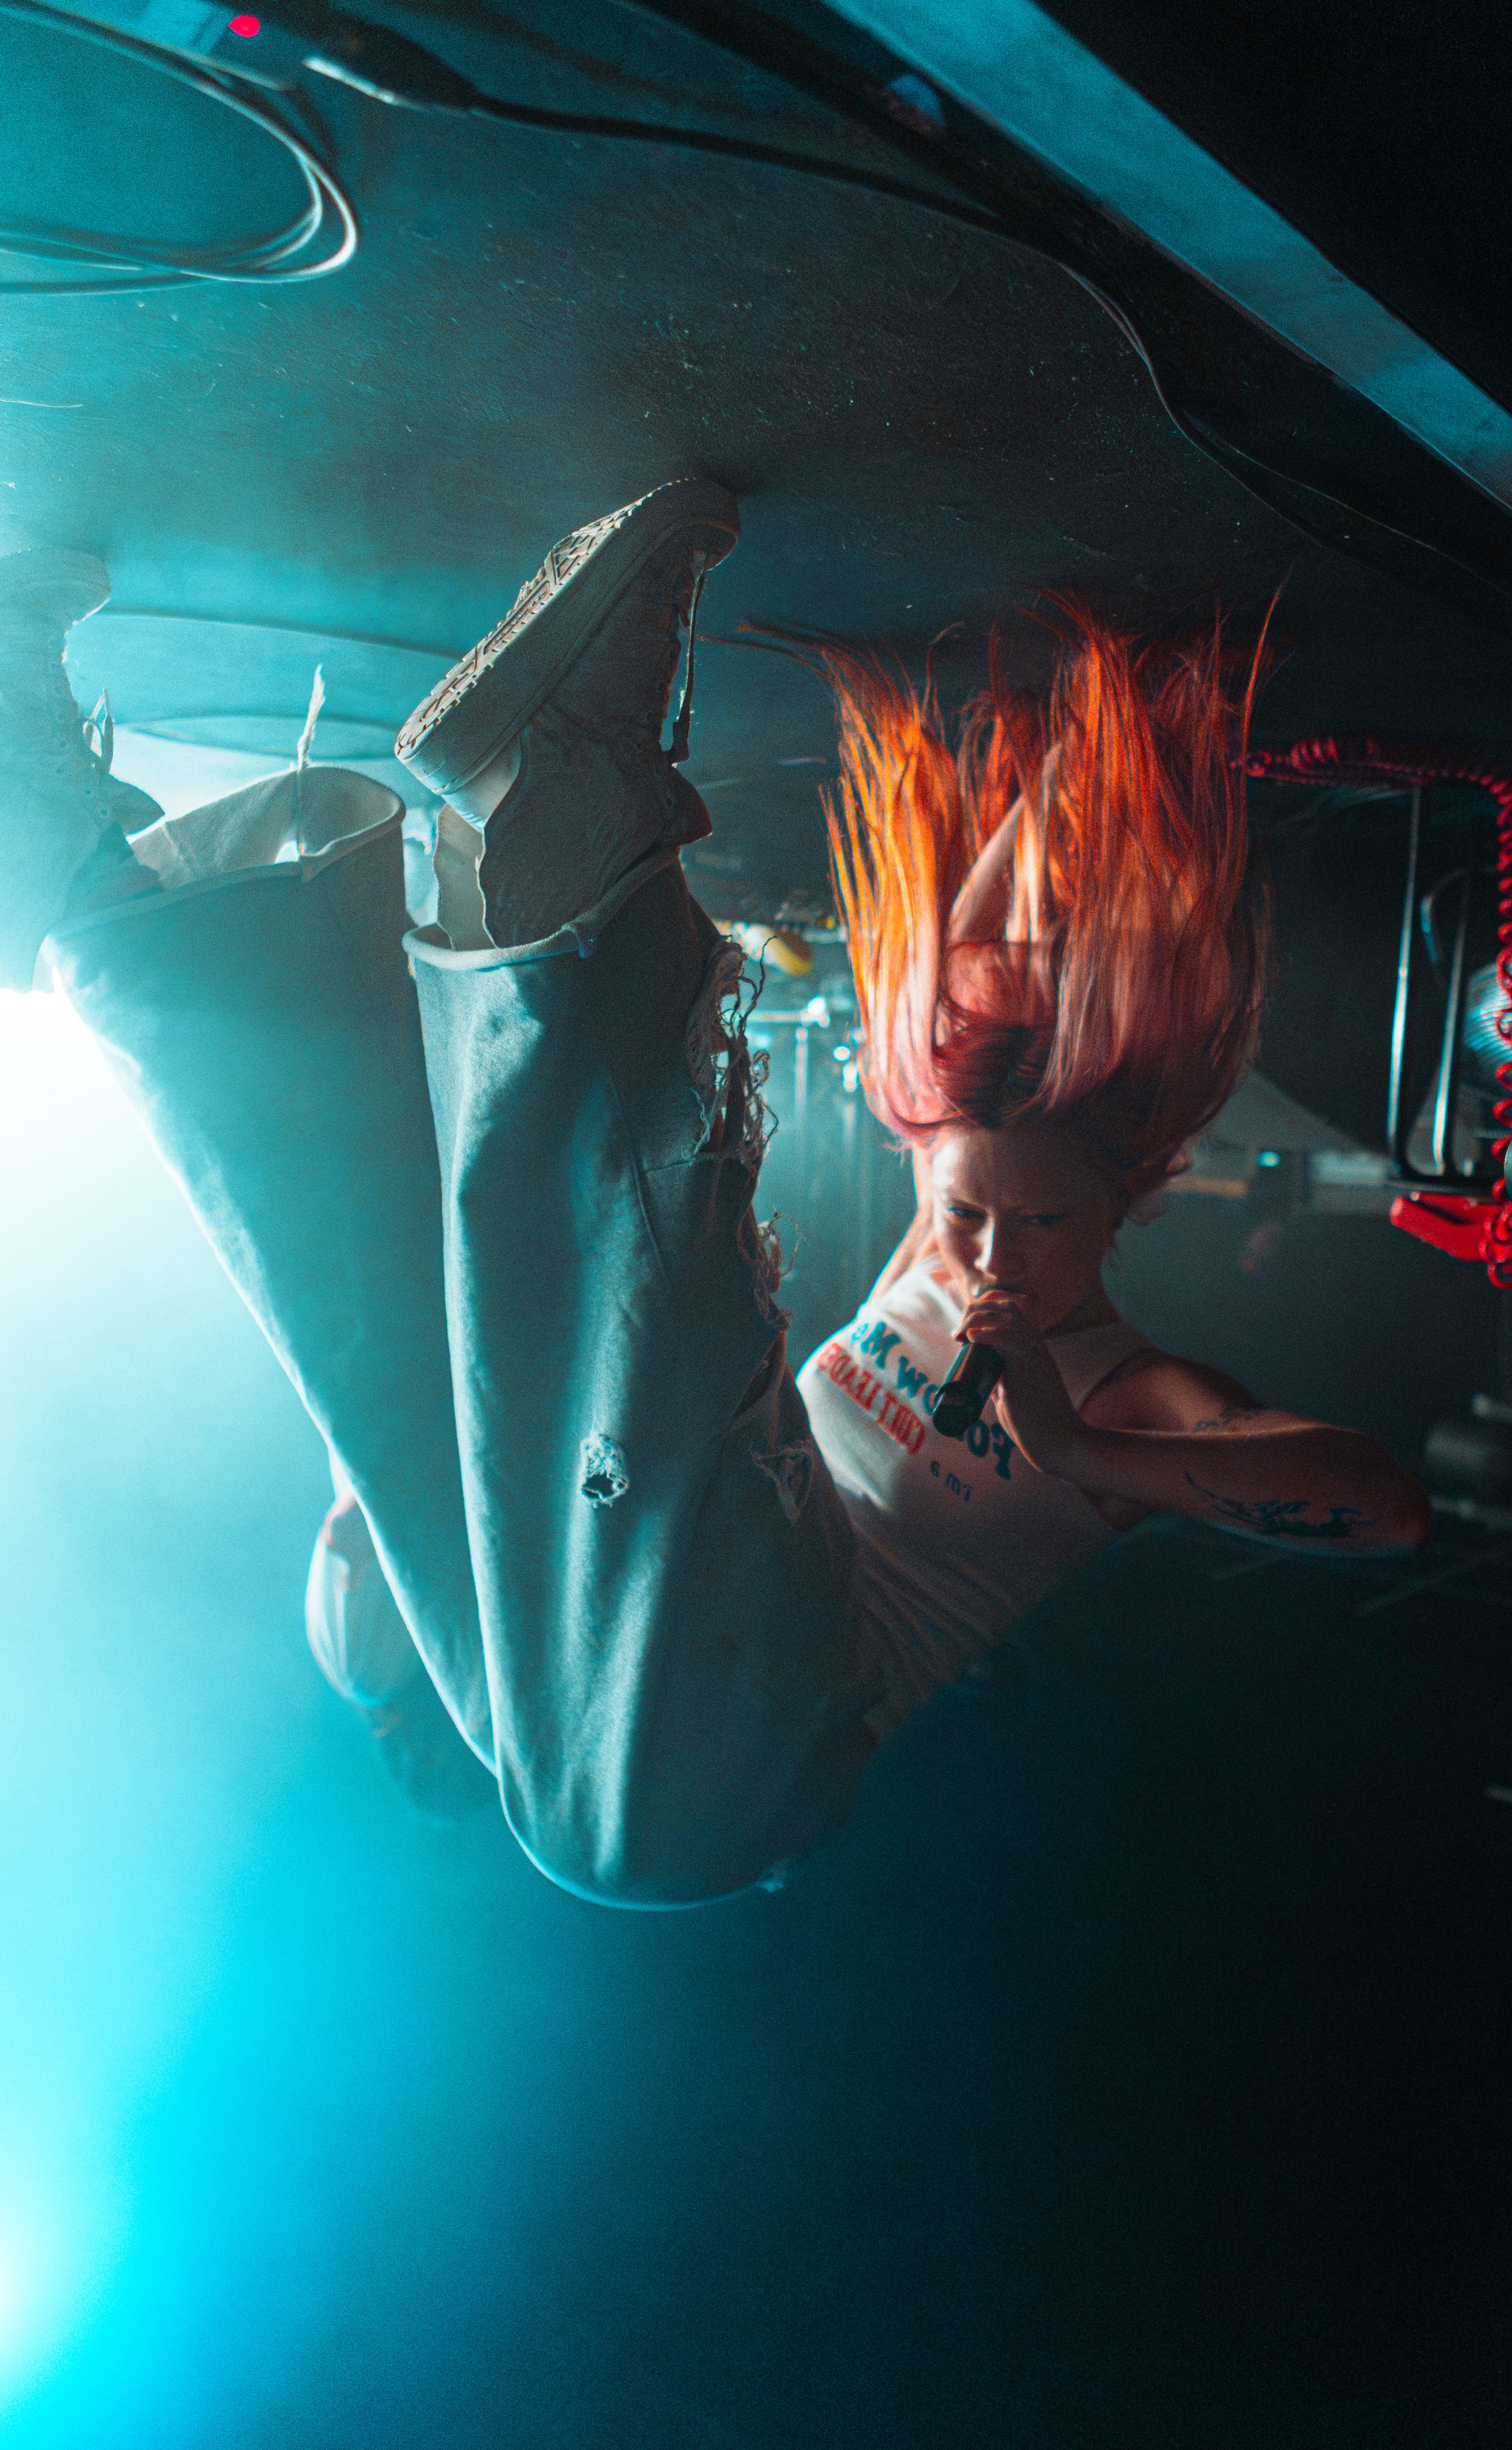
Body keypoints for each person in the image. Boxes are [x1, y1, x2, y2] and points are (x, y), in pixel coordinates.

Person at [4, 481, 1428, 1906]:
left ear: (1116, 1217)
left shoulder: (1126, 1400)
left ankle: (179, 854)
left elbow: (1381, 1509)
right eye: (963, 1213)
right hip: (658, 1693)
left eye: (1035, 1225)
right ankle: (173, 875)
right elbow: (995, 977)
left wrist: (1068, 1442)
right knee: (490, 1400)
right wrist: (1081, 755)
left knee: (430, 1369)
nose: (984, 1249)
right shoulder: (964, 1289)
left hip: (725, 1749)